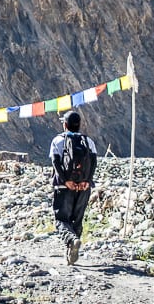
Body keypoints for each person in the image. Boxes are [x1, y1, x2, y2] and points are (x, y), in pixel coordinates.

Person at [49, 110, 97, 265]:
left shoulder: (57, 140)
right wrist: (87, 181)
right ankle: (71, 252)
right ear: (79, 125)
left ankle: (72, 240)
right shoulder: (88, 142)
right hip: (84, 187)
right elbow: (94, 163)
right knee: (77, 220)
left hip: (64, 187)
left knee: (61, 219)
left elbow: (56, 163)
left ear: (65, 124)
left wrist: (66, 180)